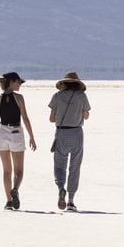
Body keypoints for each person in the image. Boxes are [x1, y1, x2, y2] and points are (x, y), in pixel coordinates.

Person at [0, 72, 37, 210]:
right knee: (19, 170)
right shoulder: (19, 98)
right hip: (16, 133)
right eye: (19, 82)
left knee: (6, 170)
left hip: (2, 133)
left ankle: (8, 201)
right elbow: (25, 118)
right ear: (12, 82)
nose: (20, 85)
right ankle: (15, 189)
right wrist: (32, 136)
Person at [48, 72, 91, 212]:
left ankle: (61, 188)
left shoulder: (57, 96)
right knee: (75, 167)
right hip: (77, 133)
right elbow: (86, 115)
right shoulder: (82, 96)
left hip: (61, 133)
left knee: (60, 166)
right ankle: (71, 201)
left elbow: (52, 119)